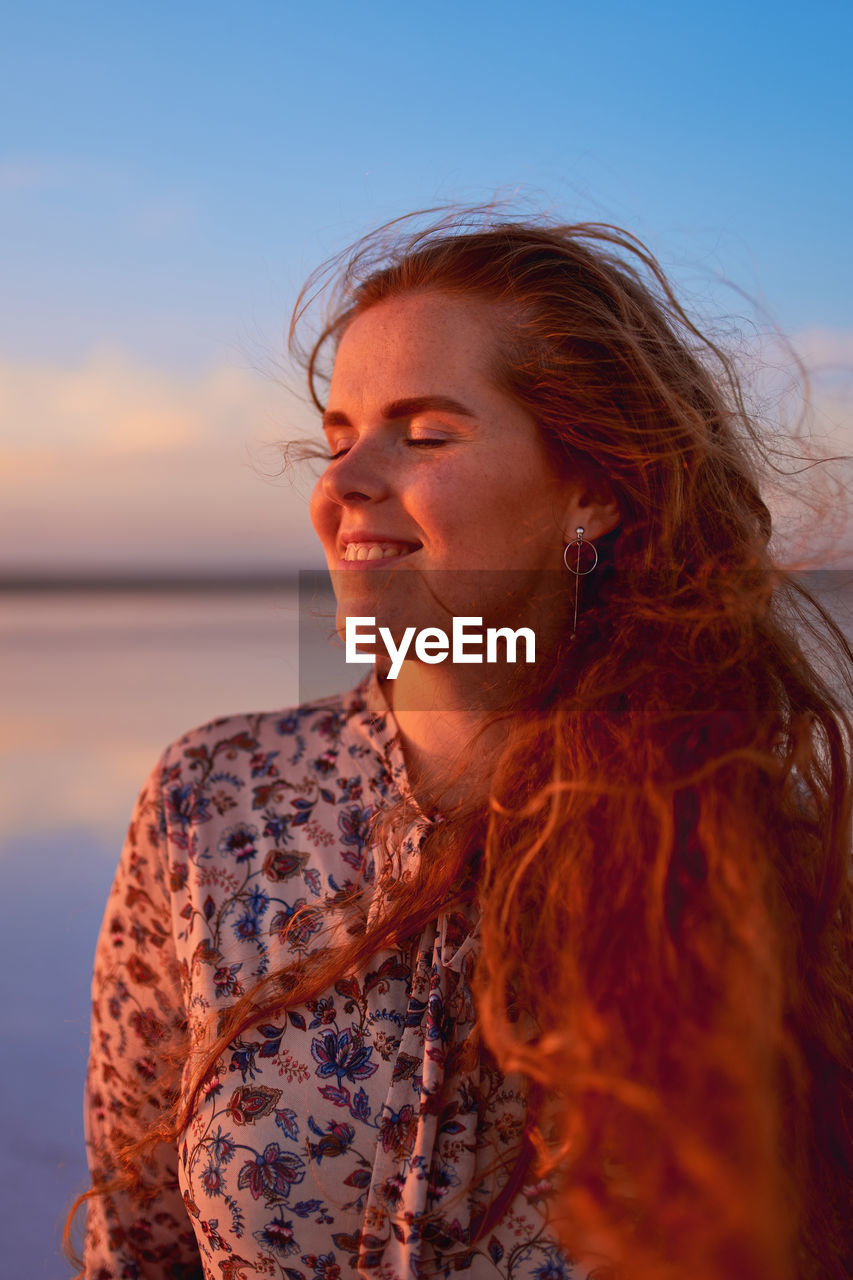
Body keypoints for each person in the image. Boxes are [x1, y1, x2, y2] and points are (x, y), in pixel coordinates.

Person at [70, 210, 853, 1280]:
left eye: (424, 433)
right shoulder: (213, 802)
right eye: (337, 437)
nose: (341, 487)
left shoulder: (750, 819)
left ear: (593, 486)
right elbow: (137, 1244)